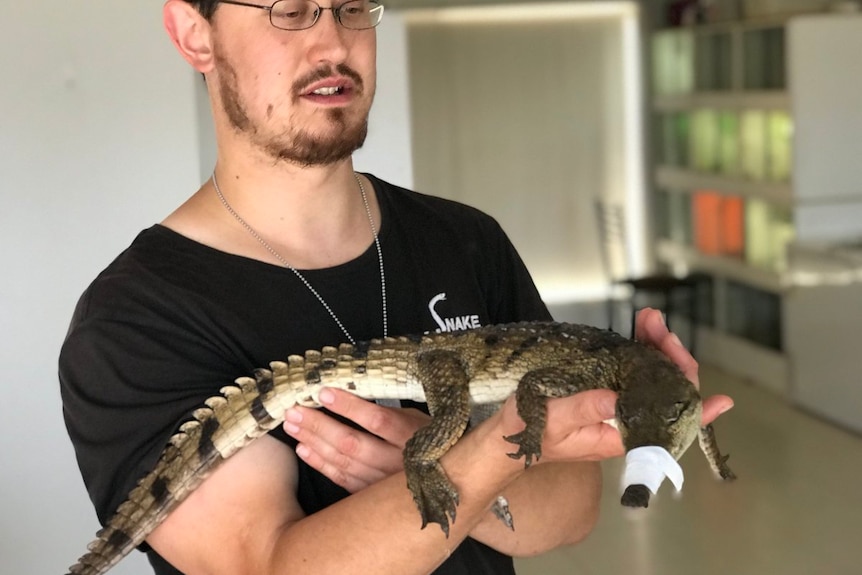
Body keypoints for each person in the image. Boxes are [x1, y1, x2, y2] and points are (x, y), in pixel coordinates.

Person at [59, 1, 733, 574]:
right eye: (290, 9)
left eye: (354, 5)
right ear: (193, 35)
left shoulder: (468, 238)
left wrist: (455, 459)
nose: (333, 40)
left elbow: (572, 507)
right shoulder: (134, 317)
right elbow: (269, 564)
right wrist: (464, 462)